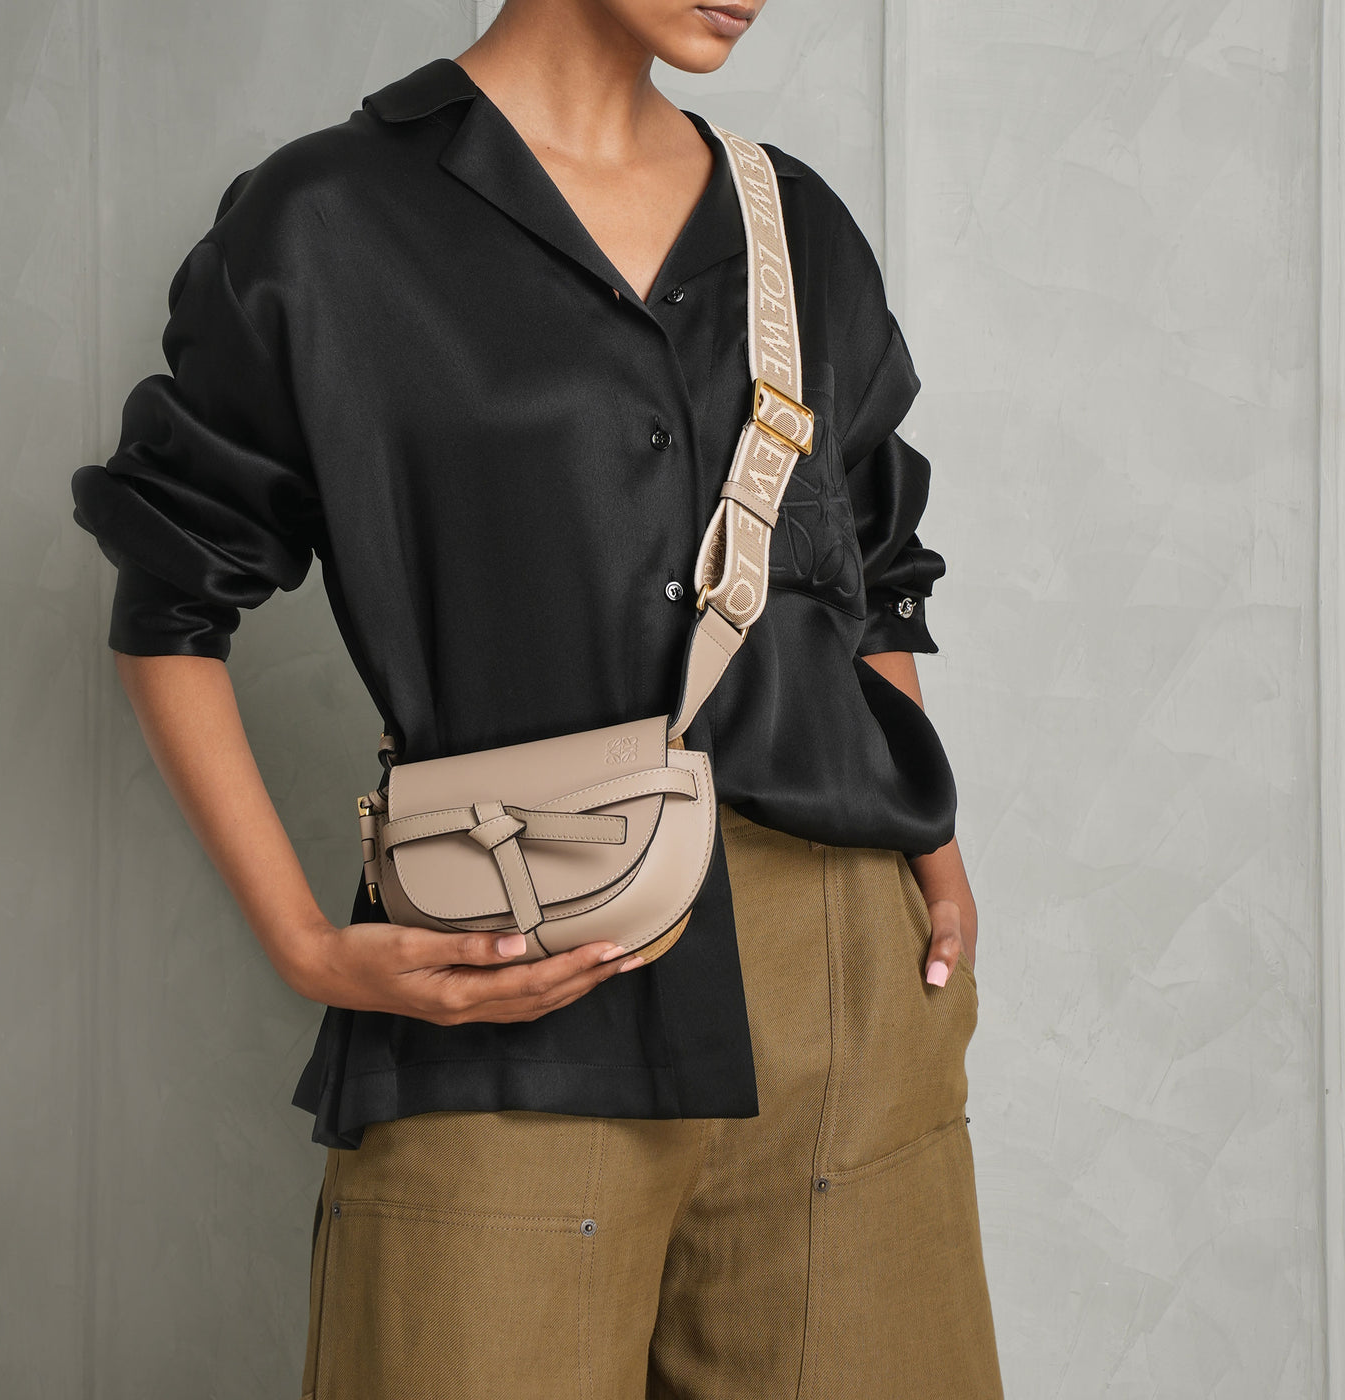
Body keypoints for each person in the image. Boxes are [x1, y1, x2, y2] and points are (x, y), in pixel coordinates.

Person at [70, 0, 1004, 1395]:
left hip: (846, 990)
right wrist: (305, 945)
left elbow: (871, 571)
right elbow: (170, 603)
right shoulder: (329, 220)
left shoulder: (791, 224)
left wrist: (934, 847)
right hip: (514, 980)